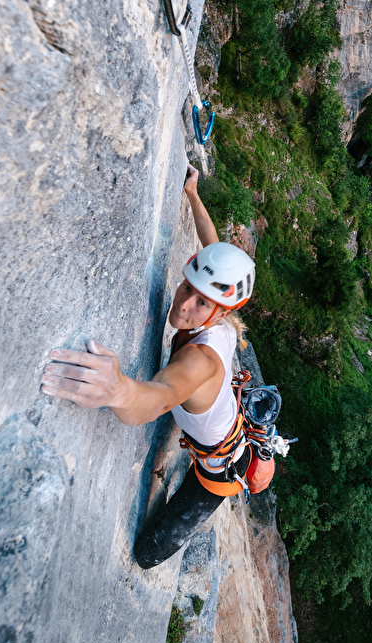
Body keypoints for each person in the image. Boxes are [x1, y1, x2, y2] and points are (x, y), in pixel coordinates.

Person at [40, 164, 256, 568]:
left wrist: (119, 390)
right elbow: (213, 244)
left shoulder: (201, 361)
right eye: (187, 287)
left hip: (221, 468)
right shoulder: (224, 316)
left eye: (200, 302)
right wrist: (192, 193)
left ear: (220, 310)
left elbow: (161, 397)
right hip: (220, 425)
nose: (184, 304)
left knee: (146, 554)